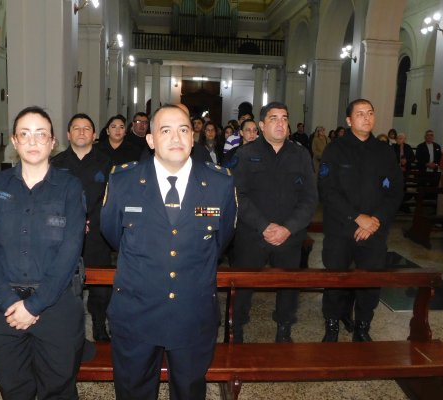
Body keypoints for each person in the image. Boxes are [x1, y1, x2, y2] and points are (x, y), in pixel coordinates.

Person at [100, 104, 236, 400]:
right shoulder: (123, 181)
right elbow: (113, 235)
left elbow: (221, 240)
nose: (176, 137)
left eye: (184, 129)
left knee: (189, 391)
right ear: (150, 140)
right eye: (165, 130)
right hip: (136, 311)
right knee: (133, 391)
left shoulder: (219, 183)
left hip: (192, 312)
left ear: (193, 137)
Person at [0, 106, 86, 399]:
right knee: (13, 387)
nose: (33, 141)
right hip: (4, 309)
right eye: (25, 134)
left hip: (55, 304)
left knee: (59, 387)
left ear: (52, 142)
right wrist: (9, 302)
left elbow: (70, 250)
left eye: (41, 135)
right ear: (14, 141)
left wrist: (35, 305)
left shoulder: (70, 188)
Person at [232, 101, 318, 343]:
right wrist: (264, 226)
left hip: (289, 236)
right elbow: (238, 195)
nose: (280, 123)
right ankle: (235, 327)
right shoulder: (246, 154)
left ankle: (284, 327)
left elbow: (310, 198)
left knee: (288, 286)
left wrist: (289, 227)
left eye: (284, 118)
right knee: (243, 286)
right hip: (252, 235)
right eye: (273, 118)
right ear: (261, 125)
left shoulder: (300, 154)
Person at [318, 99, 403, 342]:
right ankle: (332, 324)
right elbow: (327, 190)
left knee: (370, 281)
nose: (366, 118)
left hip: (374, 231)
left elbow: (395, 191)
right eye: (360, 114)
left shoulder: (384, 151)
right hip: (341, 228)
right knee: (336, 279)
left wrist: (375, 220)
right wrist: (357, 218)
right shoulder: (335, 149)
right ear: (348, 120)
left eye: (370, 113)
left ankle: (363, 326)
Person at [51, 113, 114, 342]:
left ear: (94, 135)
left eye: (86, 128)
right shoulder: (56, 165)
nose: (81, 132)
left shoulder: (106, 162)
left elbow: (111, 199)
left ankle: (99, 326)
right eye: (76, 128)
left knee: (100, 286)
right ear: (68, 134)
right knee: (67, 283)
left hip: (97, 234)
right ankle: (71, 329)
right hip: (65, 234)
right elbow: (52, 200)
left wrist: (93, 221)